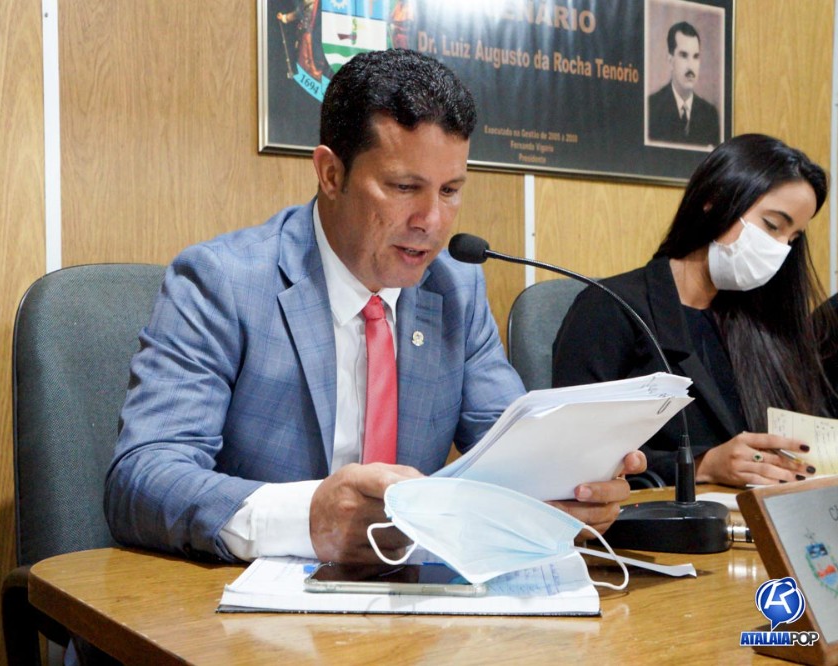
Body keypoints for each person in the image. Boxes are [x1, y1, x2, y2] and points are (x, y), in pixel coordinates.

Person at [104, 49, 644, 567]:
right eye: (405, 187)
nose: (432, 221)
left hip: (406, 599)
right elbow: (142, 476)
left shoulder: (455, 289)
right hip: (235, 601)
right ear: (331, 174)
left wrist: (566, 488)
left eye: (450, 190)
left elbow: (510, 453)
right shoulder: (223, 281)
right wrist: (308, 519)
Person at [553, 133, 829, 488]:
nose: (778, 250)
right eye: (772, 225)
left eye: (792, 239)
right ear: (715, 200)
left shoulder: (760, 325)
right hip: (653, 514)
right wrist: (703, 465)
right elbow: (576, 451)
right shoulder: (611, 308)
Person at [647, 21, 720, 147]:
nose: (691, 66)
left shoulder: (710, 114)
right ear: (671, 61)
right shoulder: (651, 108)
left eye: (696, 57)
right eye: (684, 55)